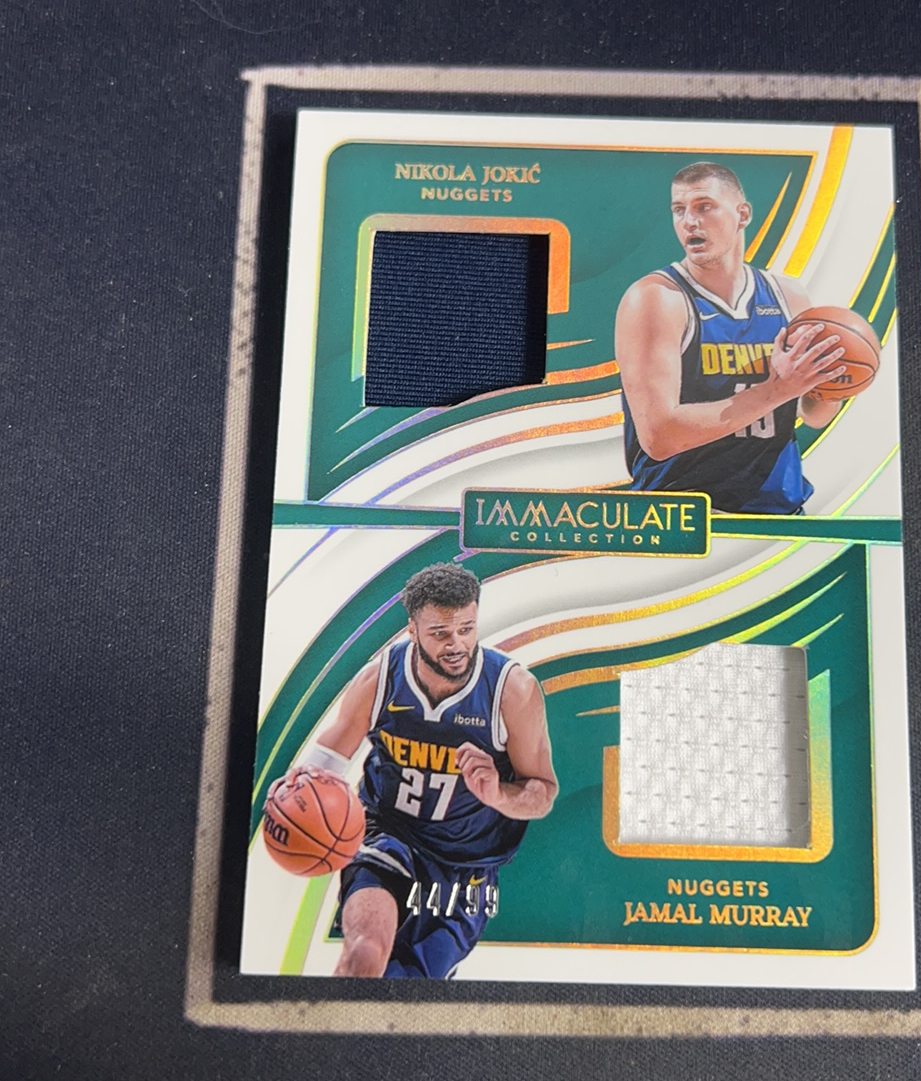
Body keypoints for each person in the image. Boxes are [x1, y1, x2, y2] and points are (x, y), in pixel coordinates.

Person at [268, 562, 557, 979]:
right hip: (388, 834)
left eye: (467, 629)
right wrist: (296, 787)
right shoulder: (380, 679)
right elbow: (327, 759)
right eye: (440, 633)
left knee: (408, 983)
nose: (456, 644)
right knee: (364, 953)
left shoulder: (512, 690)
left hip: (464, 864)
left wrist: (498, 794)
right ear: (412, 631)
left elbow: (542, 793)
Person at [615, 162, 848, 515]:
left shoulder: (788, 295)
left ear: (742, 214)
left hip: (780, 515)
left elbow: (813, 414)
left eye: (704, 207)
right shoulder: (656, 299)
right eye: (679, 210)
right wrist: (778, 390)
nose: (689, 221)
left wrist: (835, 381)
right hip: (686, 520)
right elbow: (660, 436)